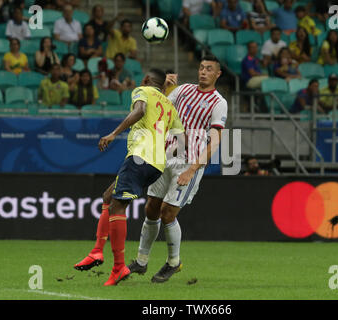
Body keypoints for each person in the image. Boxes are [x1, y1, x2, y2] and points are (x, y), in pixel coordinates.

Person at [74, 56, 228, 284]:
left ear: (218, 74)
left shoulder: (218, 102)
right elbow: (161, 104)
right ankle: (141, 261)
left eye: (209, 69)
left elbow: (215, 141)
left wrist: (192, 169)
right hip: (163, 156)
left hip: (189, 162)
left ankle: (173, 262)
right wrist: (165, 88)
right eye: (201, 68)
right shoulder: (183, 90)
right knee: (151, 209)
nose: (203, 72)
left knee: (168, 212)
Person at [75, 68, 185, 286]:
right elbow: (183, 144)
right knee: (108, 196)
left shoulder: (142, 90)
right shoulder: (169, 106)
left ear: (146, 80)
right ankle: (97, 250)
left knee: (117, 206)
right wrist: (162, 153)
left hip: (140, 157)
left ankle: (118, 268)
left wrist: (114, 133)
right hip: (156, 165)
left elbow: (140, 110)